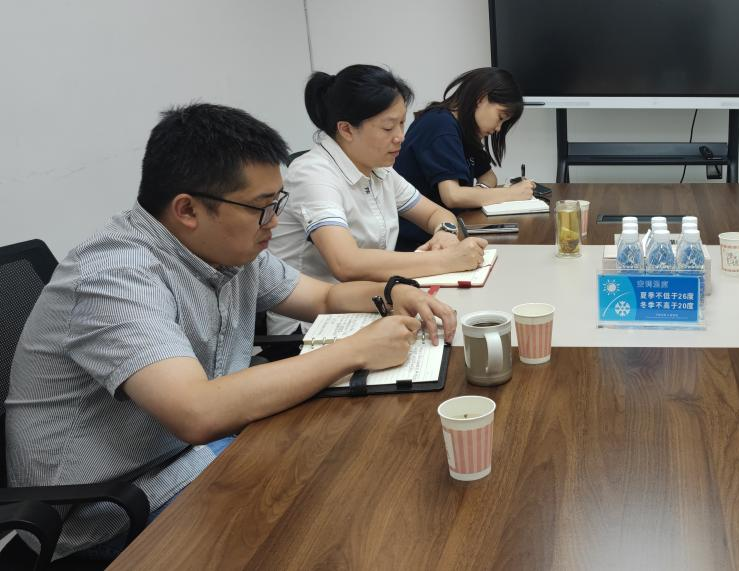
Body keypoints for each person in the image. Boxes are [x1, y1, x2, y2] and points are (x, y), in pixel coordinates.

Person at [4, 103, 457, 561]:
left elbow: (322, 298)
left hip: (192, 457)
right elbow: (197, 412)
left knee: (354, 477)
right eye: (262, 207)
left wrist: (392, 291)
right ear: (188, 209)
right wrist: (354, 351)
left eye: (277, 203)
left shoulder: (228, 249)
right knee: (326, 530)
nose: (275, 222)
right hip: (111, 514)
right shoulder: (115, 276)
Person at [269, 64, 487, 336]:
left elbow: (437, 214)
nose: (400, 137)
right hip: (311, 326)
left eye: (402, 123)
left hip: (374, 304)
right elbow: (346, 263)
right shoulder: (313, 174)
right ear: (346, 130)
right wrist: (447, 260)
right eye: (388, 127)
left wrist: (445, 232)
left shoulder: (379, 169)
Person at [393, 67, 532, 251]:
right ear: (481, 98)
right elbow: (453, 196)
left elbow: (488, 176)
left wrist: (479, 193)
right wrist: (511, 193)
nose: (498, 128)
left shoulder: (465, 129)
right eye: (500, 117)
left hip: (446, 233)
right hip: (417, 244)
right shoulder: (440, 125)